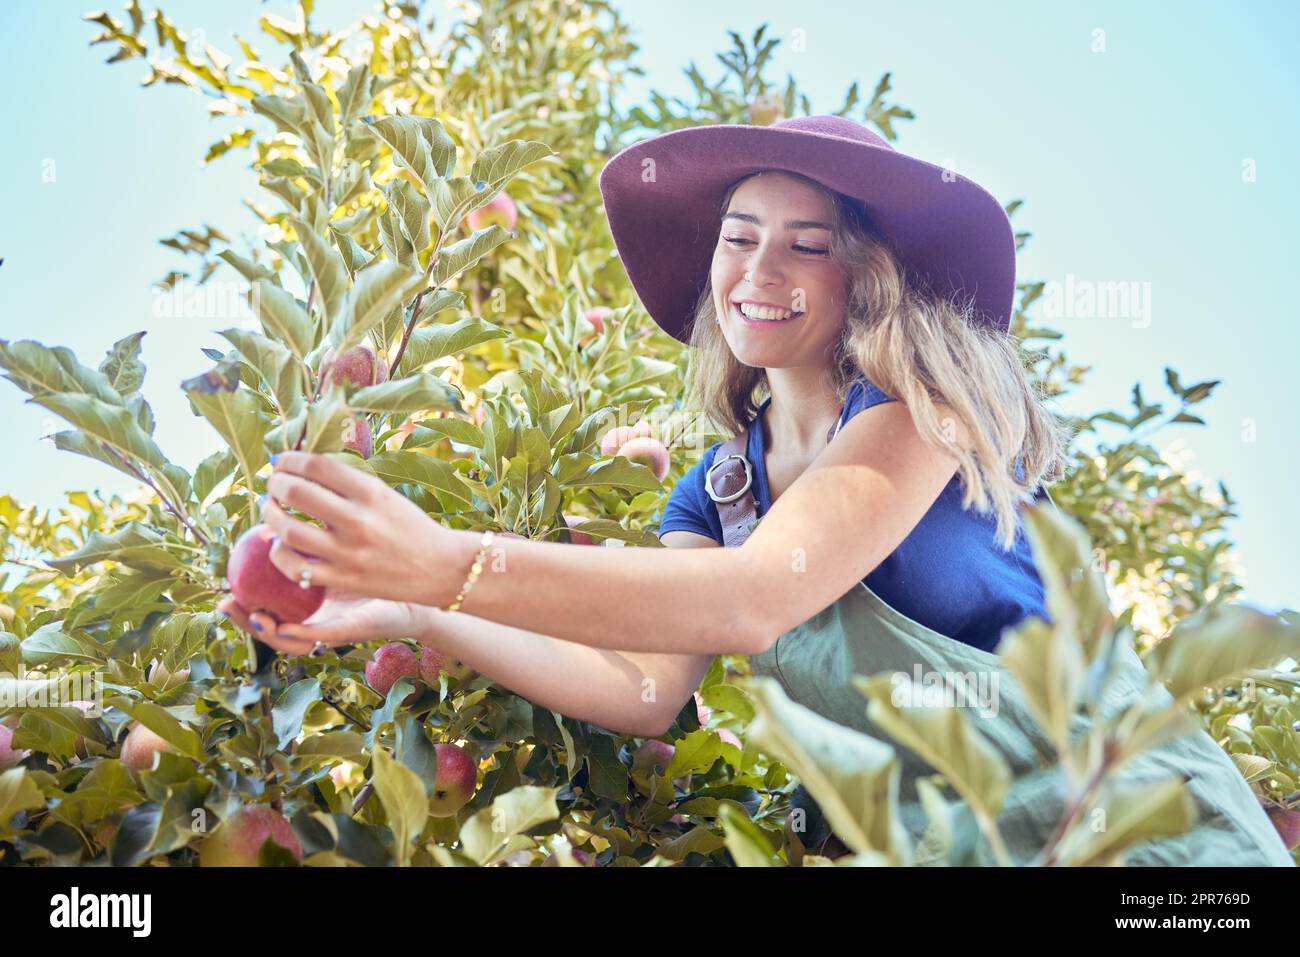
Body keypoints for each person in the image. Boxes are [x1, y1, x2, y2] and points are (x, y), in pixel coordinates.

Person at [219, 115, 1292, 866]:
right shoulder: (718, 489)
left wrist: (448, 559)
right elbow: (644, 688)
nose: (757, 270)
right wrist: (415, 608)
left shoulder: (922, 411)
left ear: (864, 275)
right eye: (739, 238)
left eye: (805, 245)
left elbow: (756, 599)